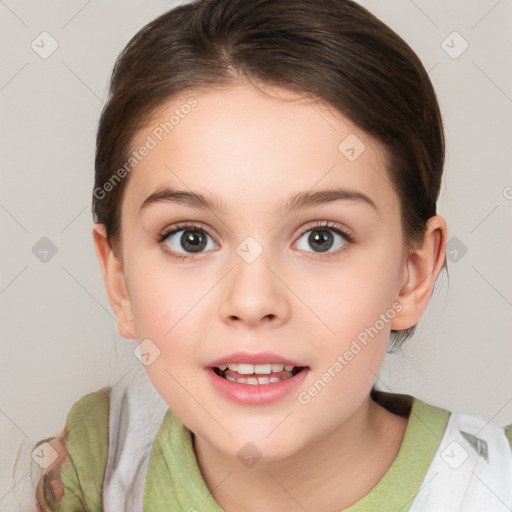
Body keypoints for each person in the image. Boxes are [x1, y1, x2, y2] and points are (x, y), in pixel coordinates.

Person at [21, 0, 512, 510]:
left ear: (412, 275)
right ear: (119, 278)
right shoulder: (98, 468)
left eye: (322, 238)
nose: (253, 302)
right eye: (191, 238)